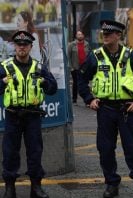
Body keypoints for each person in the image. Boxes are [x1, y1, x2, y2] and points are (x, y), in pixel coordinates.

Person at [78, 20, 133, 198]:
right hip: (105, 110)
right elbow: (81, 79)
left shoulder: (130, 56)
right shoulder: (95, 56)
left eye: (109, 33)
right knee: (105, 148)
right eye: (103, 33)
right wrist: (89, 99)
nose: (105, 36)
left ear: (118, 35)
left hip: (127, 109)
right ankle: (111, 183)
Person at [0, 30, 57, 198]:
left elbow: (52, 88)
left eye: (25, 45)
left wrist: (45, 82)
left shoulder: (39, 67)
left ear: (31, 47)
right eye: (19, 45)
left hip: (33, 116)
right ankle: (10, 188)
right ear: (14, 46)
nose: (22, 48)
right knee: (10, 152)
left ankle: (36, 187)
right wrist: (2, 82)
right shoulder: (6, 67)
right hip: (13, 115)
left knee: (35, 151)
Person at [68, 30, 90, 104]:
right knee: (76, 83)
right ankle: (74, 99)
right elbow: (68, 57)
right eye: (78, 34)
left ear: (83, 36)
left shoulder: (87, 44)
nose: (80, 36)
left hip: (85, 68)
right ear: (76, 36)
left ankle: (87, 99)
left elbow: (89, 55)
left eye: (81, 34)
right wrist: (71, 67)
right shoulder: (71, 45)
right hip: (75, 67)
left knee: (85, 83)